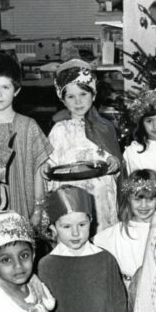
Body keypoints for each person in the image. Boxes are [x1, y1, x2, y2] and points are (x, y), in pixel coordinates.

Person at [37, 185, 126, 312]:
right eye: (66, 227)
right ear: (53, 228)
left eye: (82, 225)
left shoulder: (105, 259)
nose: (76, 233)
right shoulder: (47, 266)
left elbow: (118, 303)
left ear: (91, 222)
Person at [0, 54, 53, 227]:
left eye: (5, 87)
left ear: (16, 90)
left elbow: (39, 170)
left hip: (23, 211)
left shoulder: (28, 127)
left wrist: (38, 209)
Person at [45, 59, 122, 232]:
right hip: (71, 197)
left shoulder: (104, 127)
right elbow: (50, 160)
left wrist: (114, 163)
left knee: (102, 236)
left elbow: (112, 159)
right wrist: (47, 168)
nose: (78, 102)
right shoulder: (59, 130)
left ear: (93, 95)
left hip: (100, 196)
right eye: (71, 97)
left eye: (83, 94)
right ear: (63, 100)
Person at [94, 169, 156, 285]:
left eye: (150, 199)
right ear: (128, 198)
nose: (143, 205)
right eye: (137, 199)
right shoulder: (115, 233)